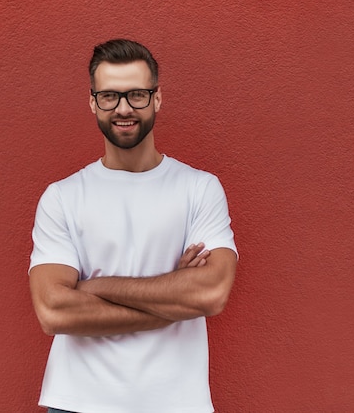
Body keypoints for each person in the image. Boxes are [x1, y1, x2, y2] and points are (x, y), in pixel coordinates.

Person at [28, 39, 238, 413]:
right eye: (109, 96)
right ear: (92, 102)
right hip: (77, 403)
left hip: (177, 404)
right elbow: (54, 312)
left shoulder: (198, 188)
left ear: (157, 98)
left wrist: (97, 287)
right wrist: (174, 297)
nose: (124, 108)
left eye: (137, 94)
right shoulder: (62, 197)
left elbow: (211, 293)